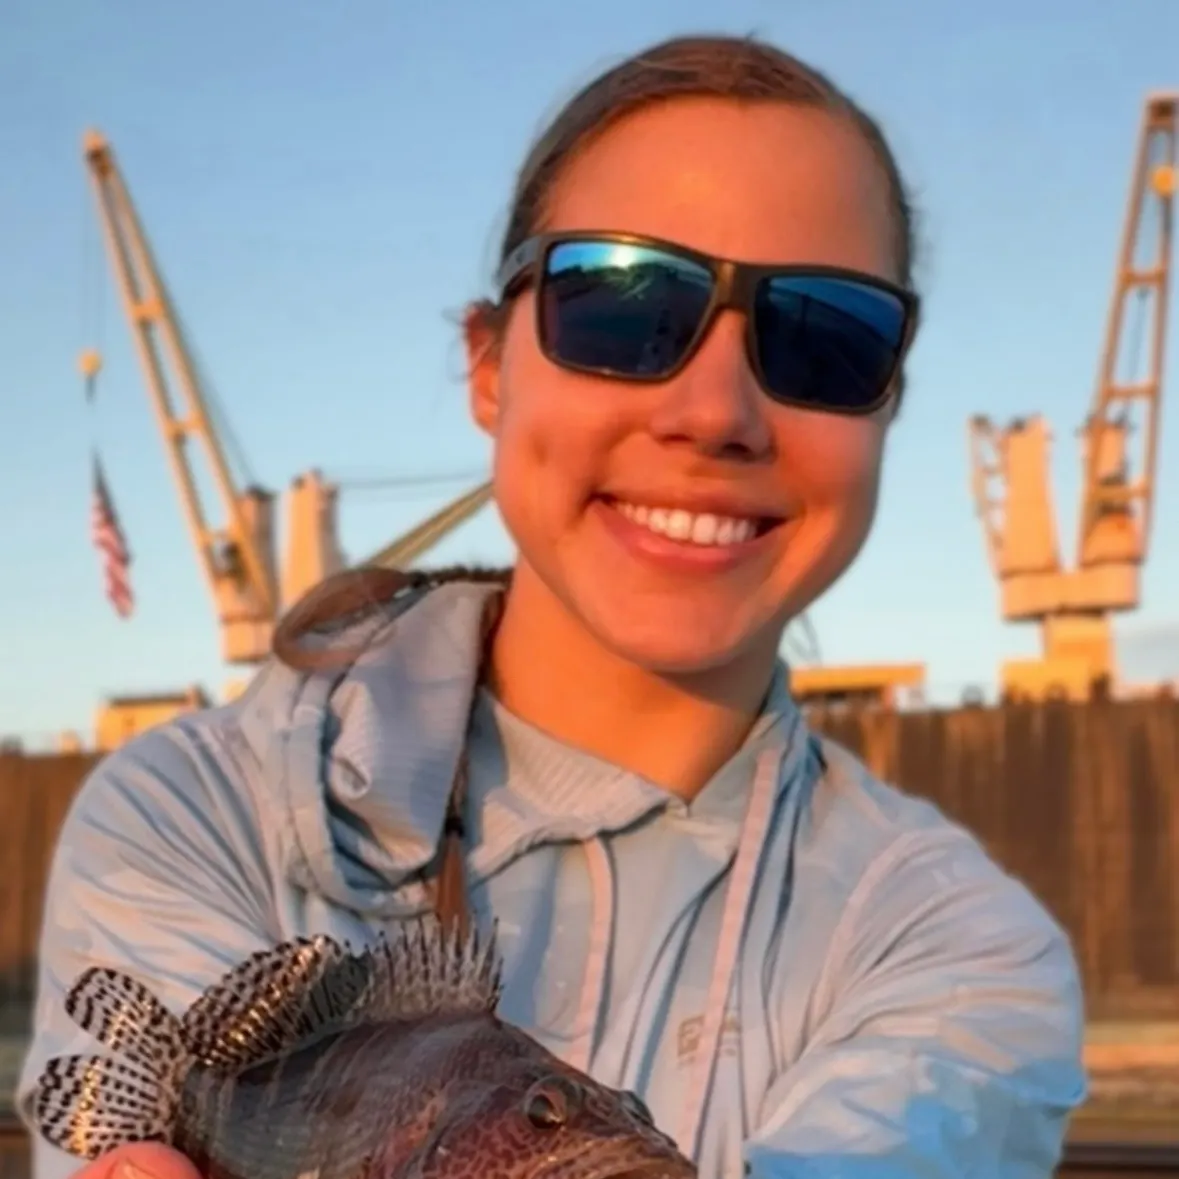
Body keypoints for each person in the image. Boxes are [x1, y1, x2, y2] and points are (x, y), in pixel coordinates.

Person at [19, 32, 1086, 1179]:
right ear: (488, 365)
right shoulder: (189, 811)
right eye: (620, 305)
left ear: (884, 409)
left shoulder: (974, 956)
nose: (716, 409)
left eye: (828, 337)